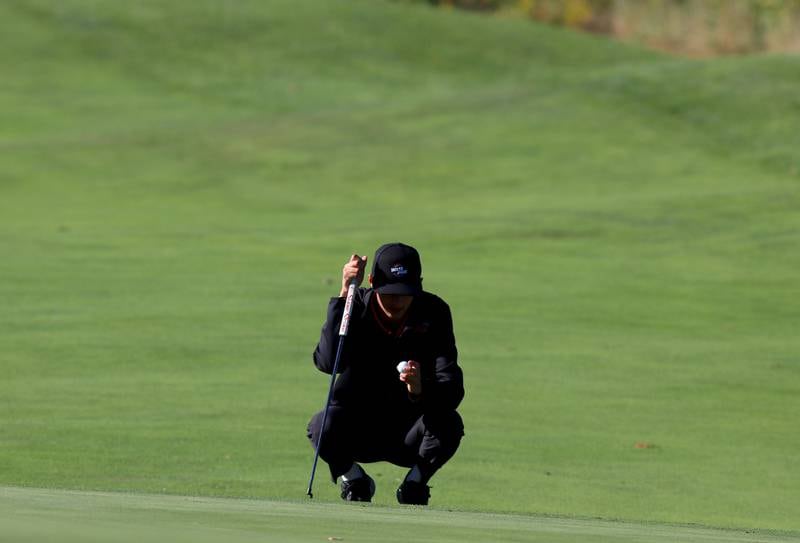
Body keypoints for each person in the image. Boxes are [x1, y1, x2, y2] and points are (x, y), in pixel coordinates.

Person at [307, 243, 465, 505]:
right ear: (371, 282)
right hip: (357, 429)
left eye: (405, 293)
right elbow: (327, 363)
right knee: (321, 425)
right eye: (389, 292)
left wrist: (420, 388)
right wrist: (345, 294)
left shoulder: (434, 312)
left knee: (449, 424)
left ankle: (415, 485)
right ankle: (354, 479)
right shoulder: (354, 305)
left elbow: (452, 388)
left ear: (419, 285)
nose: (397, 300)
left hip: (409, 435)